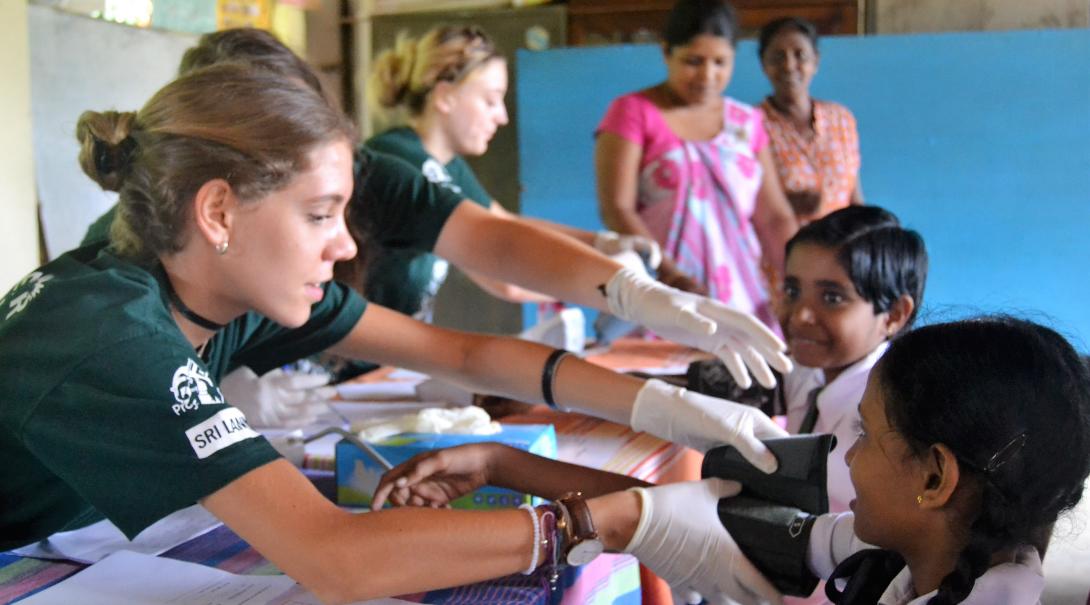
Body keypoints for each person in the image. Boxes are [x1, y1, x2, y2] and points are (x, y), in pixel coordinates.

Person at [1, 65, 788, 604]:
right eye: (319, 215)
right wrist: (607, 521)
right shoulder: (108, 327)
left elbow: (463, 351)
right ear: (217, 213)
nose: (345, 246)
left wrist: (661, 405)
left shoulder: (218, 292)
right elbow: (336, 557)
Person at [82, 27, 792, 392]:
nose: (341, 247)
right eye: (319, 214)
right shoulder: (120, 284)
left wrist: (636, 289)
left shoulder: (332, 279)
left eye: (338, 214)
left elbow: (495, 258)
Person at [374, 316, 1090, 604]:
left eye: (868, 435)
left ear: (935, 478)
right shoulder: (916, 551)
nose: (846, 447)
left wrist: (586, 520)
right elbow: (721, 523)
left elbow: (683, 523)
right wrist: (505, 464)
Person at [365, 25, 662, 319]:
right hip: (355, 362)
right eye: (490, 100)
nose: (502, 117)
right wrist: (609, 282)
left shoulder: (446, 166)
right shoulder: (405, 161)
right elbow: (505, 275)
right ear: (445, 96)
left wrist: (602, 244)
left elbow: (503, 223)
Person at [693, 205, 927, 514]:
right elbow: (709, 384)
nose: (800, 316)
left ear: (894, 315)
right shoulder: (809, 370)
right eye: (792, 290)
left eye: (832, 298)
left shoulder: (889, 417)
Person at [595, 0, 798, 331]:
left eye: (720, 62)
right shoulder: (633, 113)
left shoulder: (747, 123)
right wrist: (669, 275)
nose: (708, 75)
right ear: (666, 53)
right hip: (659, 295)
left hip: (742, 299)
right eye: (693, 61)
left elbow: (774, 218)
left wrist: (799, 288)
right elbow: (617, 209)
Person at [758, 17, 863, 224]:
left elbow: (853, 196)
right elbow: (739, 204)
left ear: (815, 61)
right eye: (777, 57)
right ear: (764, 64)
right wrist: (785, 202)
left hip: (841, 249)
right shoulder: (749, 126)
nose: (789, 66)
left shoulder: (841, 119)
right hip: (783, 251)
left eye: (800, 55)